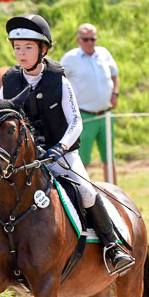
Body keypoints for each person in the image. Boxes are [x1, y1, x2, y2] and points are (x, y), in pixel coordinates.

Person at [0, 14, 134, 276]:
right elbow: (0, 118)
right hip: (25, 159)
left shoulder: (58, 80)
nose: (21, 54)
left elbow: (76, 123)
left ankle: (113, 247)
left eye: (28, 47)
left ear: (43, 49)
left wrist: (60, 148)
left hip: (61, 155)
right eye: (17, 48)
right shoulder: (9, 83)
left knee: (86, 191)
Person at [60, 23, 119, 183]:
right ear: (79, 40)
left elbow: (114, 74)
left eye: (93, 39)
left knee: (109, 157)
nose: (90, 42)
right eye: (86, 39)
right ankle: (82, 193)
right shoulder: (70, 58)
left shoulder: (103, 53)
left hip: (105, 114)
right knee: (83, 159)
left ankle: (115, 192)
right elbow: (60, 81)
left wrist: (115, 93)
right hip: (84, 116)